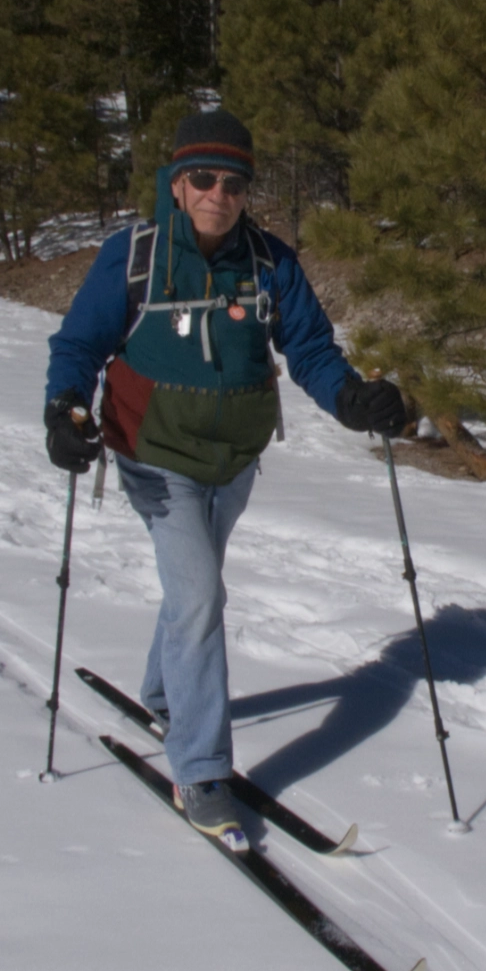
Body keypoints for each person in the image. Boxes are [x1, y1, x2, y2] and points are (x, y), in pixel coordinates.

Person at [44, 108, 405, 847]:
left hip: (233, 460)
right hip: (154, 453)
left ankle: (161, 690)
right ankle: (201, 767)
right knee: (202, 592)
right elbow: (78, 344)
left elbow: (308, 347)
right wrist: (64, 409)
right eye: (202, 178)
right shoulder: (135, 256)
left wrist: (350, 398)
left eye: (233, 181)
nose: (217, 193)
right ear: (177, 183)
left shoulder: (269, 262)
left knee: (193, 589)